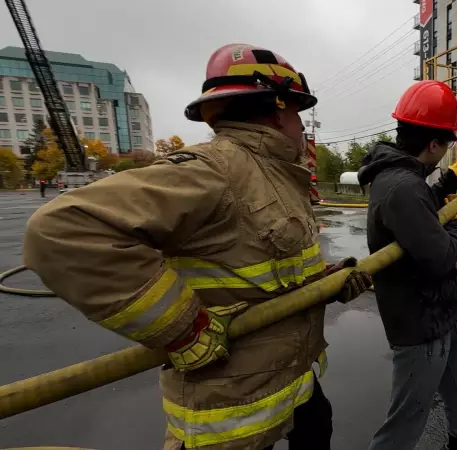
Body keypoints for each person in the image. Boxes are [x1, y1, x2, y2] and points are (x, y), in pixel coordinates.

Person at [23, 43, 372, 450]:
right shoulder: (214, 169)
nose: (300, 125)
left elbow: (257, 261)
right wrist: (183, 328)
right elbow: (60, 230)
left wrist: (324, 283)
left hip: (293, 383)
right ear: (278, 110)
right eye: (298, 112)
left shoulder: (273, 175)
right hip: (231, 411)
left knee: (318, 425)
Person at [358, 80, 457, 450]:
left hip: (441, 308)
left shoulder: (405, 178)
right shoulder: (402, 186)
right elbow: (440, 257)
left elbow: (421, 212)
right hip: (419, 318)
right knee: (408, 416)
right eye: (447, 144)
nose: (447, 150)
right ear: (433, 144)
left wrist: (454, 176)